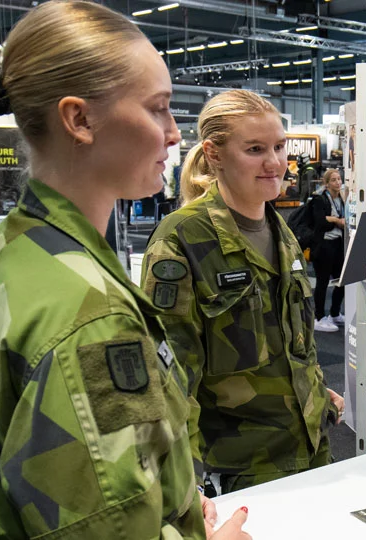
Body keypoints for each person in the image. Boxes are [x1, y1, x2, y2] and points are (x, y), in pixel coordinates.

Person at [0, 2, 249, 538]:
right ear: (79, 120)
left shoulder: (19, 245)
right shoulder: (89, 314)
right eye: (157, 109)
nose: (175, 134)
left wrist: (171, 498)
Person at [142, 89, 343, 495]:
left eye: (279, 147)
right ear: (214, 154)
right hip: (241, 473)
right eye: (255, 149)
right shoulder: (182, 240)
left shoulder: (280, 230)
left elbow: (291, 344)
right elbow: (171, 381)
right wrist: (186, 488)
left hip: (313, 450)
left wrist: (316, 391)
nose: (274, 163)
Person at [310, 168, 345, 332]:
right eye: (333, 180)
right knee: (322, 283)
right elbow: (320, 223)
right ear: (327, 183)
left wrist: (331, 218)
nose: (337, 182)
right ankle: (318, 317)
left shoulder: (342, 199)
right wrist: (336, 221)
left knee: (342, 280)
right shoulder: (320, 199)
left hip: (338, 244)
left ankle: (335, 313)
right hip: (323, 246)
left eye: (339, 179)